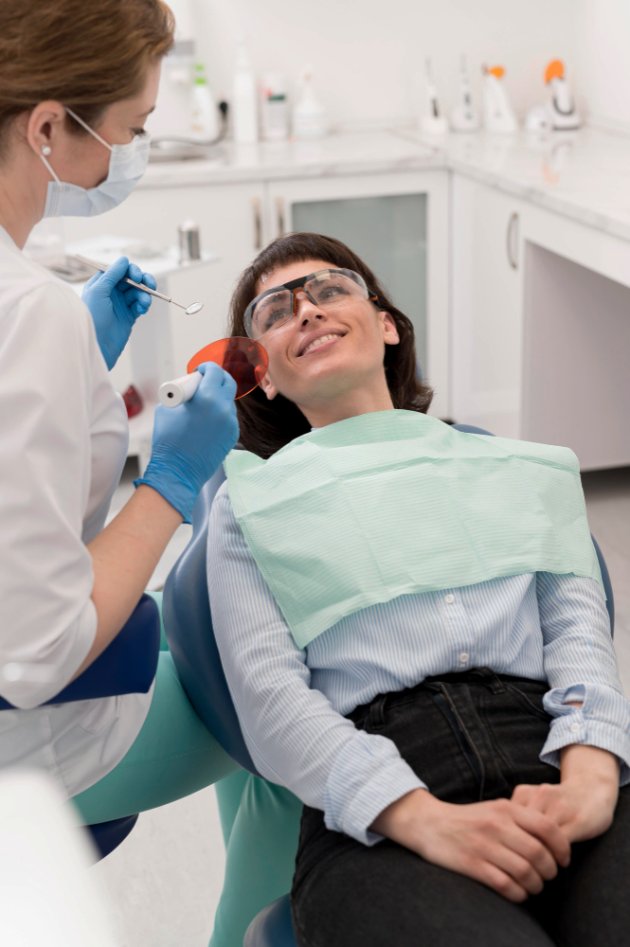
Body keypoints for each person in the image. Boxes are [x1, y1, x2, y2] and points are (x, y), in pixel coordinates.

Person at [206, 232, 630, 947]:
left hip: (550, 751)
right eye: (275, 311)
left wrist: (591, 774)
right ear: (265, 377)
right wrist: (421, 817)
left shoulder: (512, 468)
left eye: (330, 289)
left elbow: (579, 635)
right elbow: (270, 701)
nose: (306, 309)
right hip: (379, 807)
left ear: (387, 325)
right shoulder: (249, 504)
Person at [0, 0, 241, 835]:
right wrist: (169, 482)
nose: (133, 150)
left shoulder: (32, 315)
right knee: (280, 697)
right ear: (46, 129)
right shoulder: (29, 313)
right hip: (29, 751)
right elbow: (37, 651)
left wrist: (74, 366)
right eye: (132, 128)